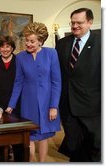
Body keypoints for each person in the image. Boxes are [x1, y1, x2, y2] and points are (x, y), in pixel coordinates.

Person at [6, 22, 62, 162]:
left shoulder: (51, 53)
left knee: (44, 136)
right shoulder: (20, 57)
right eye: (27, 40)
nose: (28, 44)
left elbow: (56, 82)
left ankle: (42, 163)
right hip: (28, 102)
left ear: (40, 41)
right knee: (29, 136)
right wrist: (11, 105)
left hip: (47, 102)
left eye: (32, 41)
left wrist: (53, 106)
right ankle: (30, 162)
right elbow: (18, 82)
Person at [56, 8, 101, 162]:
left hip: (93, 107)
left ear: (89, 22)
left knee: (96, 146)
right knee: (73, 147)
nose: (75, 26)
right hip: (68, 106)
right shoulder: (62, 44)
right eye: (72, 22)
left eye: (79, 22)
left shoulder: (101, 43)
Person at [0, 35, 22, 162]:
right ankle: (2, 160)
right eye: (2, 47)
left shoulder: (19, 61)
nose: (5, 49)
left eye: (8, 46)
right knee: (0, 137)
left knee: (16, 136)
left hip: (17, 104)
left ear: (12, 47)